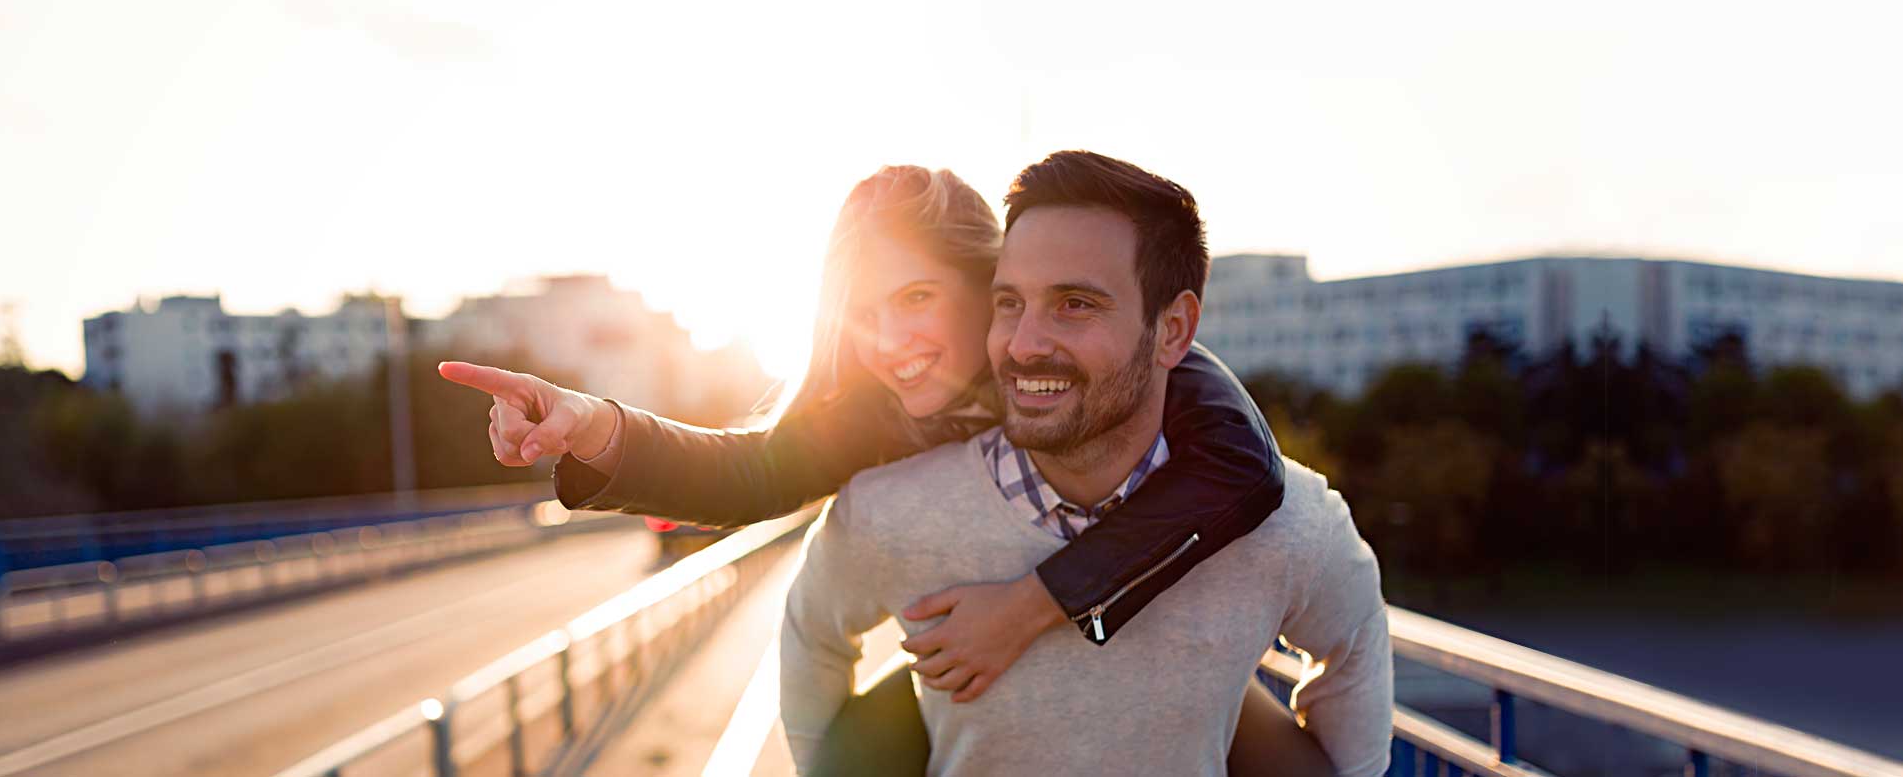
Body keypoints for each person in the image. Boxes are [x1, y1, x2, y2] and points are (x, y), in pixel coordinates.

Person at [438, 163, 1331, 772]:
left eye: (916, 298)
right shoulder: (870, 409)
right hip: (979, 682)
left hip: (1156, 642)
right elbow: (748, 474)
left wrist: (1027, 608)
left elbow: (1244, 470)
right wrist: (592, 425)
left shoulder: (1085, 351)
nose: (893, 342)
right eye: (864, 312)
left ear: (986, 280)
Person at [778, 150, 1392, 776]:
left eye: (1074, 304)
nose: (1023, 345)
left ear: (1173, 329)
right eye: (1010, 303)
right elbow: (810, 639)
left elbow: (1356, 640)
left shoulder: (1291, 525)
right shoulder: (889, 510)